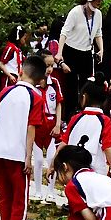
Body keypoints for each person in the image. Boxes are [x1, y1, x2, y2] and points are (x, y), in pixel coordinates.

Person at [0, 56, 46, 220]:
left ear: (20, 71)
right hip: (17, 154)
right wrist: (28, 157)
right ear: (41, 79)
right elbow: (31, 128)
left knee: (5, 197)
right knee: (19, 200)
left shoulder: (6, 91)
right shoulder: (35, 97)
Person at [55, 0, 109, 121]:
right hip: (71, 51)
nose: (99, 2)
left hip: (86, 52)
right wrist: (59, 53)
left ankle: (84, 114)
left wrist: (101, 49)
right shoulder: (76, 12)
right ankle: (68, 118)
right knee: (71, 86)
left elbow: (98, 33)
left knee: (86, 84)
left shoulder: (98, 14)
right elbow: (64, 32)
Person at [64, 81, 111, 179]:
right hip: (95, 170)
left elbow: (64, 142)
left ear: (84, 97)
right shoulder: (104, 120)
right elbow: (107, 147)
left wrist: (53, 164)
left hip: (73, 167)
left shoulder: (76, 118)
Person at [32, 55, 63, 203]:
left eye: (52, 66)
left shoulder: (55, 83)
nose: (50, 69)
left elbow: (58, 104)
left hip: (51, 126)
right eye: (47, 66)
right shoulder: (33, 83)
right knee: (38, 160)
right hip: (37, 125)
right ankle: (38, 191)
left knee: (52, 159)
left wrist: (58, 124)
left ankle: (50, 191)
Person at [0, 24, 29, 89]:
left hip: (16, 78)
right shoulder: (10, 48)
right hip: (9, 78)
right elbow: (1, 64)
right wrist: (9, 76)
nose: (25, 40)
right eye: (24, 38)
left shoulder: (18, 50)